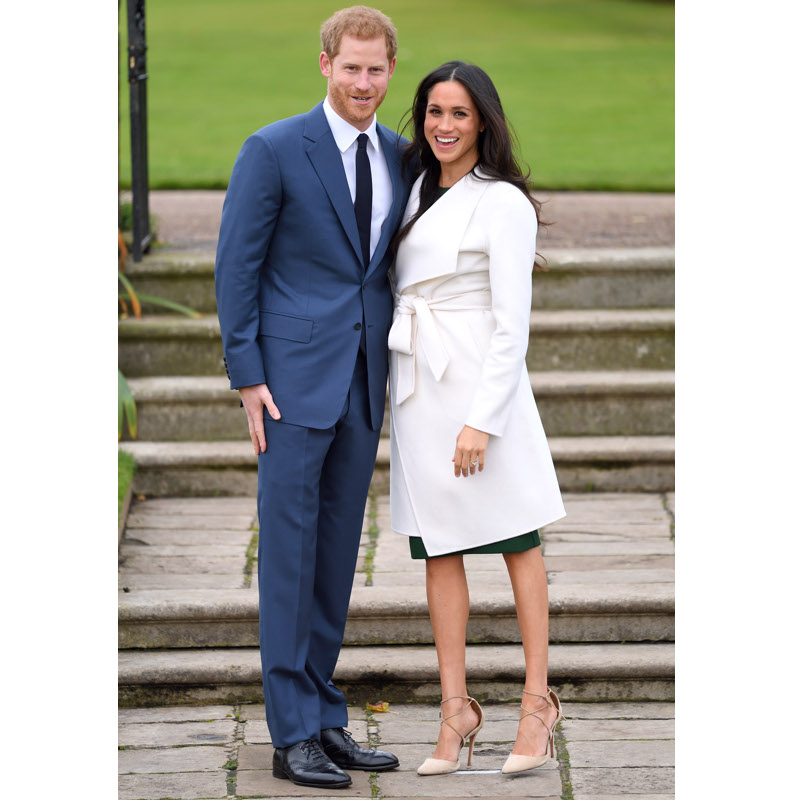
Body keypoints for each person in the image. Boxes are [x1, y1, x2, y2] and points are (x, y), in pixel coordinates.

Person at [214, 6, 411, 790]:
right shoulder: (273, 149)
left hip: (364, 380)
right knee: (289, 559)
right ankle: (290, 732)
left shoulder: (400, 154)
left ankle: (325, 718)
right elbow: (237, 267)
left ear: (390, 71)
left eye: (377, 69)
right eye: (351, 67)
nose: (364, 82)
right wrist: (246, 374)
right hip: (289, 387)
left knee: (335, 558)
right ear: (324, 64)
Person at [388, 61, 567, 776]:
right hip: (417, 387)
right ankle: (456, 710)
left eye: (459, 113)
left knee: (516, 540)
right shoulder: (409, 190)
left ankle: (536, 703)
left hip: (478, 389)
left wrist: (482, 421)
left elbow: (511, 325)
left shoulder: (504, 204)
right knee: (439, 548)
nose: (443, 126)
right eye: (433, 111)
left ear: (484, 122)